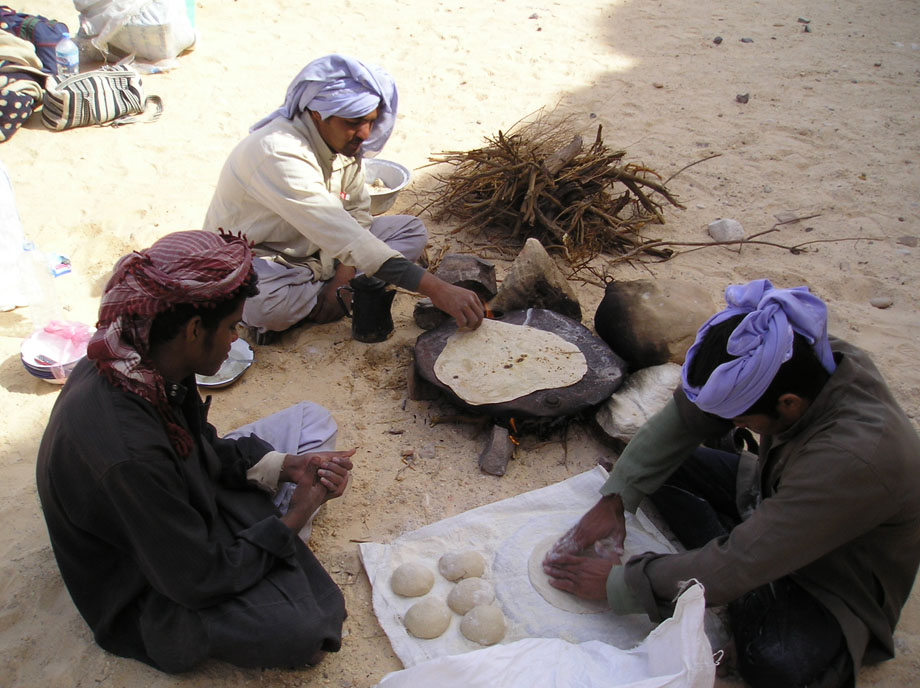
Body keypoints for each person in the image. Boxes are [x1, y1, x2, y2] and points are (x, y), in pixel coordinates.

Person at [544, 279, 920, 688]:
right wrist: (617, 496)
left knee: (774, 664)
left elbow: (746, 559)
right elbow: (691, 415)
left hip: (832, 575)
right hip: (773, 493)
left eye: (742, 421)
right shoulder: (789, 351)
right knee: (659, 468)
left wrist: (621, 584)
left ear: (788, 405)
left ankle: (735, 583)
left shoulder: (855, 458)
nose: (736, 425)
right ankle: (722, 570)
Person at [35, 230, 356, 673]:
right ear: (193, 330)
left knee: (313, 421)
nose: (235, 339)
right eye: (231, 327)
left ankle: (268, 537)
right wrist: (297, 516)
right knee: (305, 632)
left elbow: (199, 443)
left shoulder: (146, 355)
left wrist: (284, 466)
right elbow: (196, 580)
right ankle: (273, 537)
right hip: (146, 578)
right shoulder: (131, 453)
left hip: (178, 500)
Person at [203, 54, 484, 343]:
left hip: (325, 250)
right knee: (265, 306)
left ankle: (325, 295)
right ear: (317, 115)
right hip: (267, 258)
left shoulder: (342, 143)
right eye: (354, 122)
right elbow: (344, 234)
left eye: (371, 121)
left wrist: (343, 279)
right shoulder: (279, 153)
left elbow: (357, 213)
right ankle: (314, 299)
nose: (365, 133)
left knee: (411, 231)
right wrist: (437, 289)